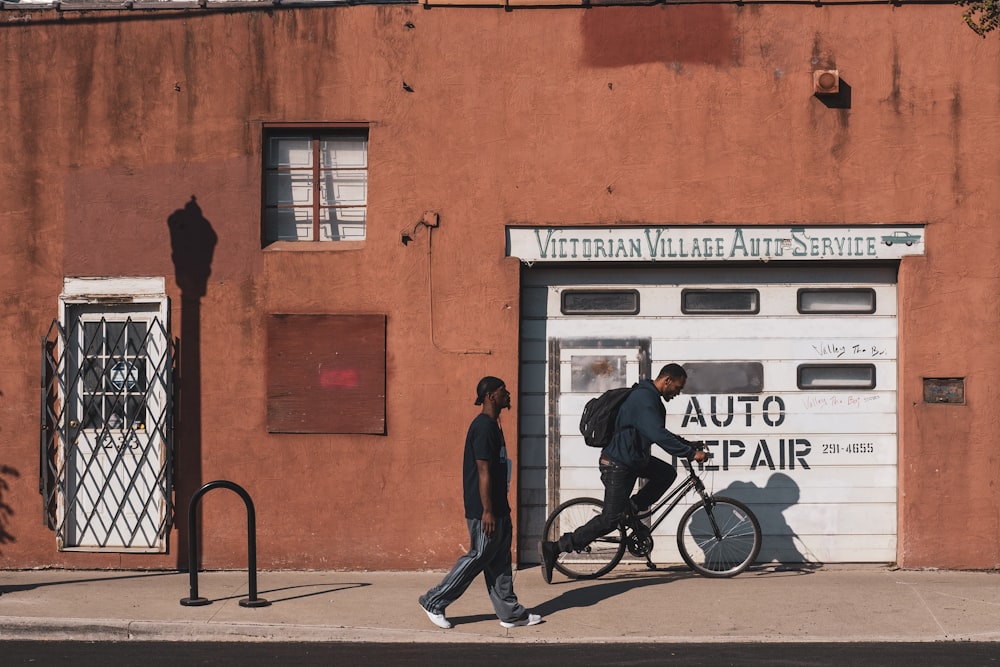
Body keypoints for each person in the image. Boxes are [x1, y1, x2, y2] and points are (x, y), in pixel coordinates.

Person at [539, 363, 708, 583]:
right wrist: (689, 453)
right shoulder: (644, 399)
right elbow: (657, 434)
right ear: (666, 380)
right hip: (618, 464)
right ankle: (556, 547)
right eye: (677, 387)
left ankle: (631, 508)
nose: (678, 392)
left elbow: (659, 432)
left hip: (633, 460)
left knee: (666, 473)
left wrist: (689, 445)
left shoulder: (649, 398)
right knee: (610, 519)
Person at [419, 376, 543, 629]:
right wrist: (487, 510)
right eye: (503, 391)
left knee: (499, 561)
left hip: (498, 507)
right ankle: (434, 600)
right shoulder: (483, 427)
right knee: (479, 555)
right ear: (490, 396)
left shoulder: (493, 425)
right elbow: (483, 470)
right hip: (484, 510)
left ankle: (510, 614)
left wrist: (500, 507)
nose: (507, 395)